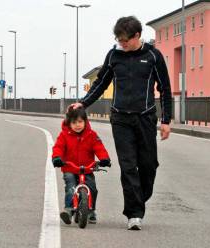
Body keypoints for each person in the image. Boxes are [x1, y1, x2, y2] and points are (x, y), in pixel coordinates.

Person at [69, 16, 172, 230]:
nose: (122, 44)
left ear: (137, 36)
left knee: (148, 165)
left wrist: (166, 121)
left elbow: (165, 89)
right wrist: (83, 104)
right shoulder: (114, 55)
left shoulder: (153, 55)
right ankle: (134, 214)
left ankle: (138, 200)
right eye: (119, 40)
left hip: (145, 117)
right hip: (120, 119)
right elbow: (100, 83)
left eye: (125, 40)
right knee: (128, 166)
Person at [52, 107, 111, 225]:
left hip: (87, 168)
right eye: (74, 122)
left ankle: (91, 211)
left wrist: (104, 159)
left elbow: (99, 147)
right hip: (70, 168)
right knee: (71, 186)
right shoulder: (64, 135)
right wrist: (57, 158)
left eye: (80, 122)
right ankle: (68, 210)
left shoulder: (91, 135)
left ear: (85, 122)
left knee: (92, 188)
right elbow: (58, 147)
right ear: (69, 123)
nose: (77, 125)